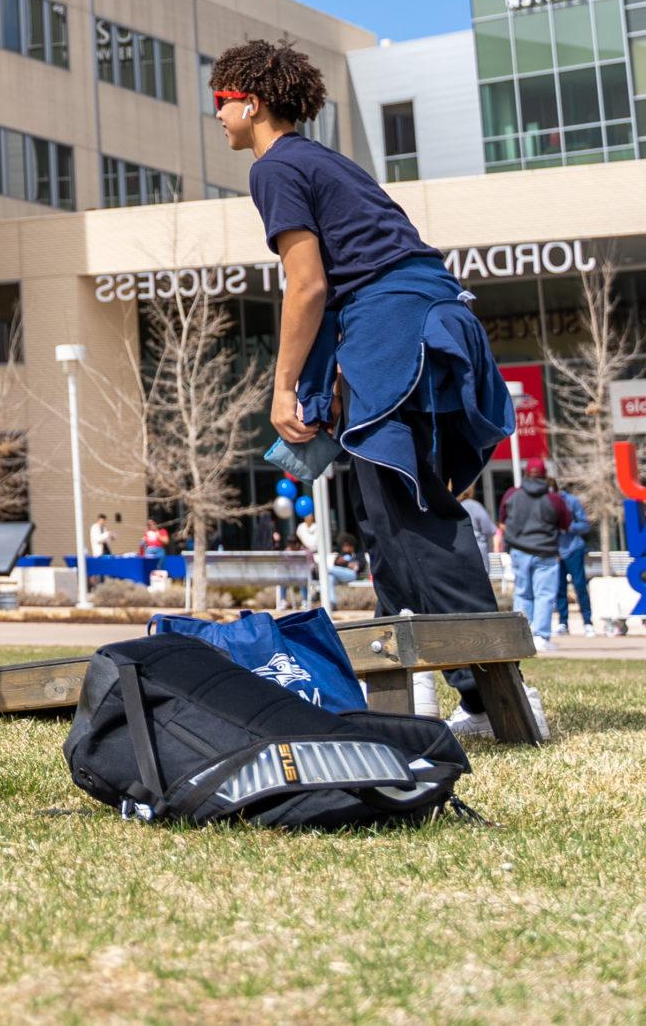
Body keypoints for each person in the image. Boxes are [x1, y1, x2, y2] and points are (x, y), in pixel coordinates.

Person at [213, 38, 532, 740]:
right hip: (418, 324)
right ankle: (421, 695)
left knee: (413, 516)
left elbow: (310, 286)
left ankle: (501, 695)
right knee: (384, 524)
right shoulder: (323, 160)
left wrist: (284, 386)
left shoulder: (277, 167)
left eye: (219, 102)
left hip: (396, 328)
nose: (218, 118)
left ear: (251, 100)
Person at [500, 457, 568, 651]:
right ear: (545, 475)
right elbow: (565, 523)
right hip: (545, 550)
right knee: (544, 594)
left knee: (522, 592)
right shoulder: (554, 499)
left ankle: (520, 636)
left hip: (519, 550)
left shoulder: (512, 495)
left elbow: (502, 519)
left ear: (526, 474)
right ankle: (540, 637)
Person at [557, 480, 596, 637]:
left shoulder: (571, 501)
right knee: (559, 588)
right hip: (554, 551)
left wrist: (569, 527)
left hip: (573, 549)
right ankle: (563, 623)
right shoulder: (545, 501)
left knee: (579, 585)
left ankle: (587, 622)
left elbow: (584, 525)